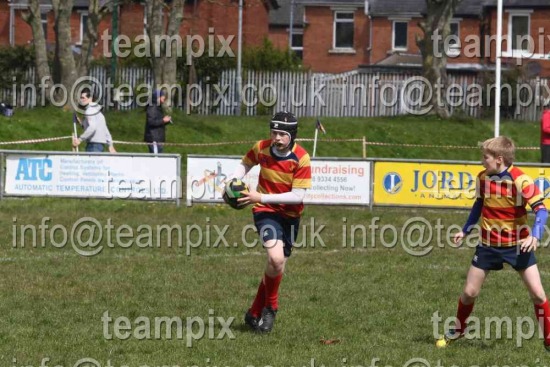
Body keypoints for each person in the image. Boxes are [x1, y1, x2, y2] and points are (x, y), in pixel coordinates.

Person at [436, 136, 550, 350]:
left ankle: (549, 339)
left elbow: (542, 210)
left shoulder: (521, 180)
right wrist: (465, 229)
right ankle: (458, 330)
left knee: (538, 294)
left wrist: (534, 235)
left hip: (518, 245)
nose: (482, 161)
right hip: (488, 245)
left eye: (485, 157)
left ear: (499, 159)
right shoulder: (483, 178)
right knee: (469, 293)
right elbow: (478, 205)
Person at [227, 111, 311, 333]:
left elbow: (298, 196)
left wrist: (260, 196)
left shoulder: (301, 157)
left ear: (292, 136)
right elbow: (245, 163)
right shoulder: (261, 147)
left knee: (277, 265)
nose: (277, 138)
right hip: (264, 210)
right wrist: (233, 180)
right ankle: (271, 308)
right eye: (274, 132)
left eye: (283, 134)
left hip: (290, 216)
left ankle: (254, 312)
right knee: (275, 258)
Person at [144, 90, 171, 154]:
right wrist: (163, 120)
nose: (164, 97)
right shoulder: (152, 108)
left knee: (159, 157)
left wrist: (166, 121)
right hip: (154, 138)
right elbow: (151, 122)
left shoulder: (157, 107)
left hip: (158, 138)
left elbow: (157, 121)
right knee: (156, 158)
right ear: (157, 97)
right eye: (162, 96)